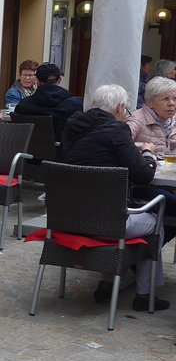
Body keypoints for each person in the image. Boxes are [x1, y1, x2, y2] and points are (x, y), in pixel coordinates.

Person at [61, 84, 167, 312]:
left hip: (66, 219)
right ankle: (144, 295)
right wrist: (148, 152)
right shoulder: (116, 131)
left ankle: (108, 284)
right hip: (105, 223)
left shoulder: (72, 126)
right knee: (157, 220)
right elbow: (144, 175)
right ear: (120, 108)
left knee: (108, 209)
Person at [15, 62, 82, 136]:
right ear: (59, 80)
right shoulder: (76, 104)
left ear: (37, 81)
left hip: (30, 146)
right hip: (62, 146)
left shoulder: (23, 105)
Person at [127, 76, 176, 152]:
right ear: (150, 102)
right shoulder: (136, 120)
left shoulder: (174, 120)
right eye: (165, 99)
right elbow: (122, 146)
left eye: (175, 99)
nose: (171, 103)